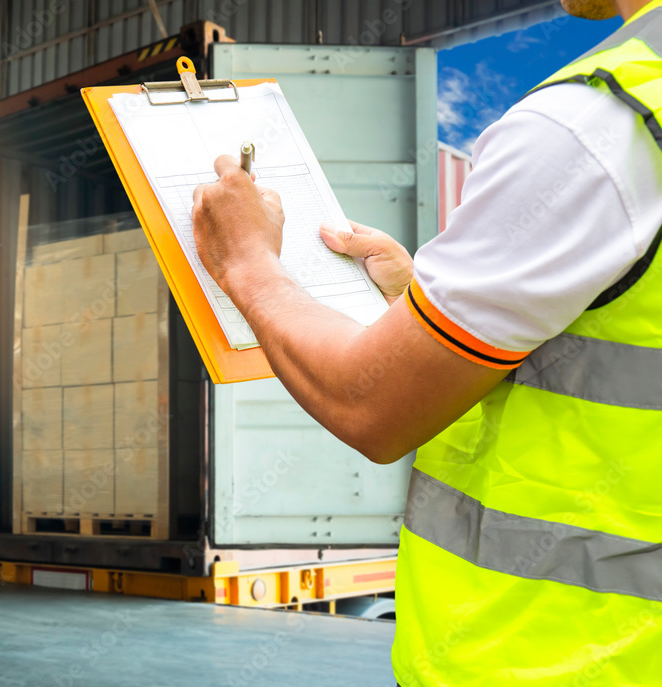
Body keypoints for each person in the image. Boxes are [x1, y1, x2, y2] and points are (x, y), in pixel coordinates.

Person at [191, 0, 662, 684]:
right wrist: (425, 302)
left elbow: (371, 403)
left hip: (557, 658)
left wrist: (249, 266)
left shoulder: (598, 126)